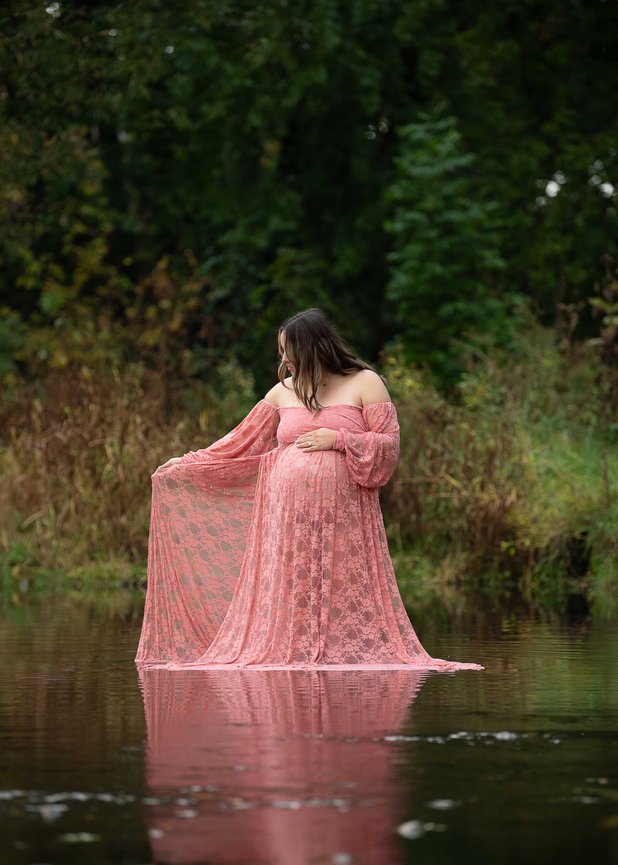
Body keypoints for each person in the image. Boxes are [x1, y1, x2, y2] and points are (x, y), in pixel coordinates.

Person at [135, 309, 483, 671]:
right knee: (294, 581)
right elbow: (240, 442)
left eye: (288, 350)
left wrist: (339, 438)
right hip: (287, 514)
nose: (283, 359)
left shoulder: (365, 382)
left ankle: (339, 652)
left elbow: (389, 444)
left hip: (343, 512)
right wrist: (189, 461)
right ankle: (296, 650)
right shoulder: (282, 392)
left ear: (312, 347)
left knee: (341, 580)